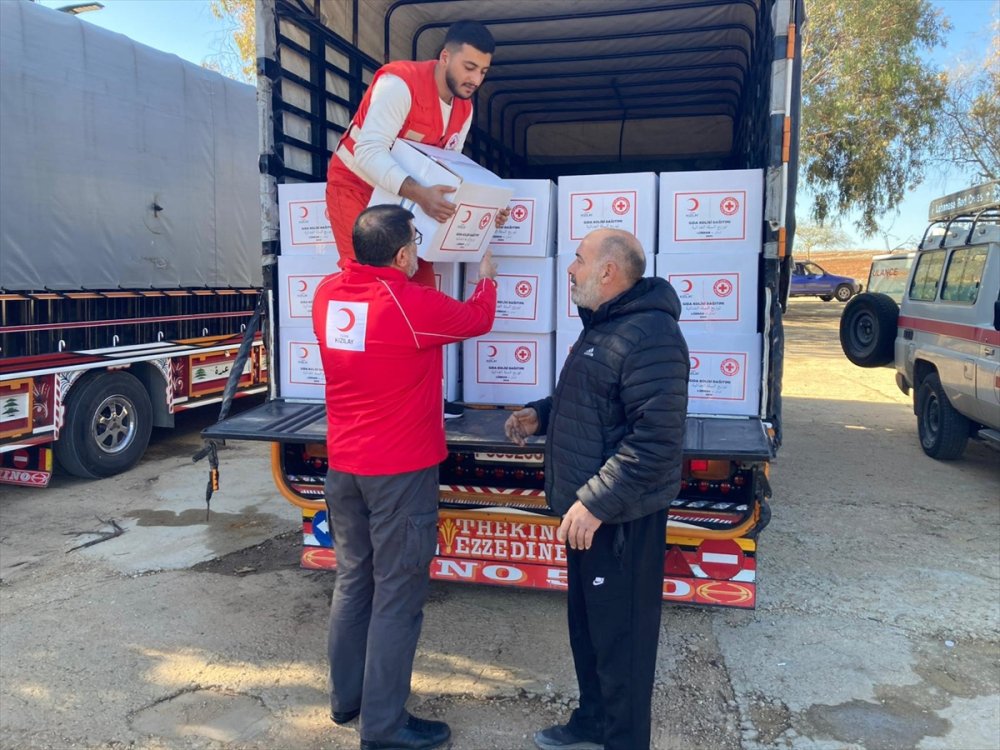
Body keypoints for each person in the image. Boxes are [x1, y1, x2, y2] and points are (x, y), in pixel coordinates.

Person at [312, 204, 498, 750]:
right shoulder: (411, 304)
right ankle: (385, 728)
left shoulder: (327, 294)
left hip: (344, 467)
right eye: (413, 244)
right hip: (399, 472)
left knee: (353, 583)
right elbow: (476, 320)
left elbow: (386, 282)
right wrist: (485, 278)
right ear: (401, 254)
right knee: (397, 596)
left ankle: (349, 702)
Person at [504, 229, 689, 750]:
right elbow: (589, 401)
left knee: (622, 643)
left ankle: (623, 740)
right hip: (587, 516)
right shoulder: (603, 327)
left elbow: (654, 440)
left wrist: (594, 502)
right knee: (589, 633)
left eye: (579, 261)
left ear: (609, 272)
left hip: (618, 521)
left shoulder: (650, 335)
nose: (570, 270)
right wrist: (539, 415)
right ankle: (592, 722)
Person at [325, 20, 508, 288]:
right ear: (445, 57)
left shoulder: (464, 109)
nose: (476, 80)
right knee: (371, 285)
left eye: (483, 71)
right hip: (358, 187)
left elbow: (451, 174)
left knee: (420, 288)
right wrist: (421, 194)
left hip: (404, 199)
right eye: (469, 68)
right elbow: (368, 152)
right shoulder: (399, 84)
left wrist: (487, 212)